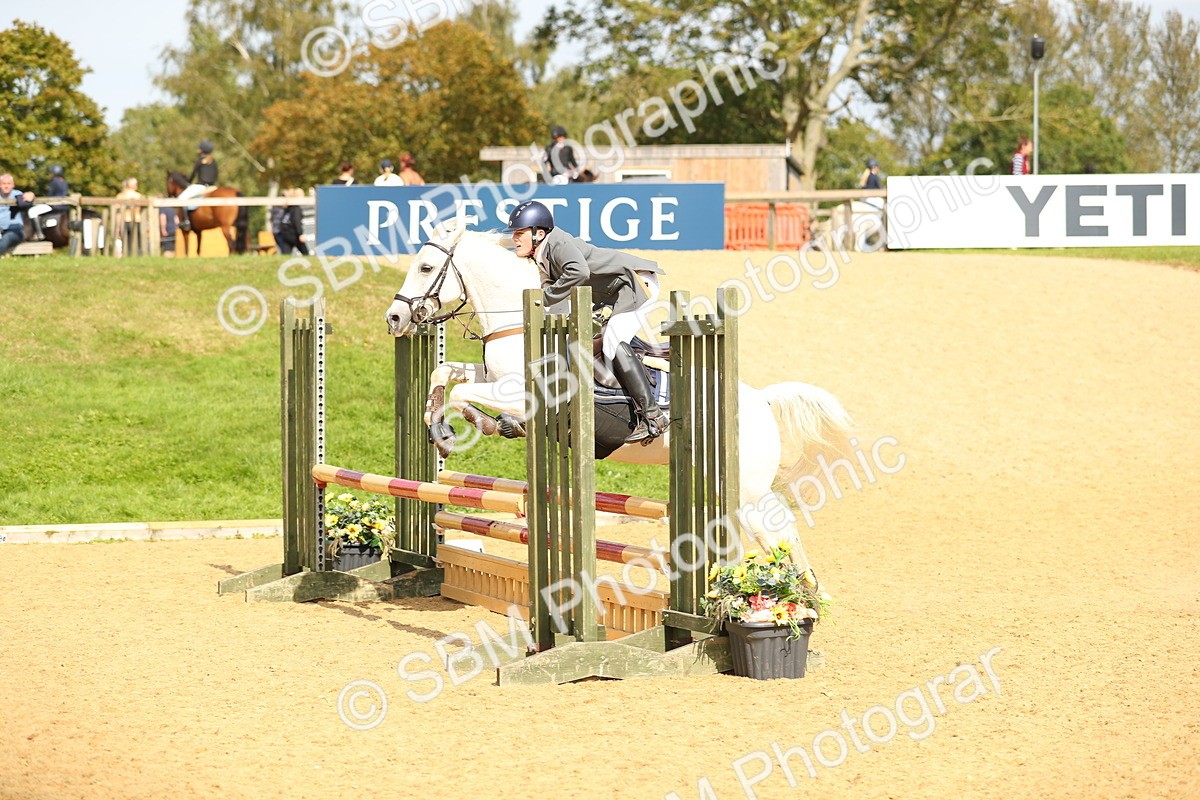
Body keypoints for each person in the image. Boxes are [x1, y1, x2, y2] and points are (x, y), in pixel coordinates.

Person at [506, 200, 667, 443]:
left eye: (519, 233)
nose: (514, 239)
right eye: (513, 234)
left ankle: (653, 416)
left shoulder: (558, 243)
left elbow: (578, 272)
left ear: (539, 234)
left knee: (613, 343)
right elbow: (550, 292)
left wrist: (545, 297)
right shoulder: (541, 258)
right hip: (612, 294)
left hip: (634, 285)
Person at [178, 140, 219, 231]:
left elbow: (193, 175)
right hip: (213, 187)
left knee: (181, 198)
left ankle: (186, 221)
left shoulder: (200, 161)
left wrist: (187, 182)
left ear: (202, 150)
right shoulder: (214, 161)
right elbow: (216, 175)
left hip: (201, 186)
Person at [0, 174, 35, 256]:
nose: (6, 186)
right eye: (4, 184)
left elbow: (27, 200)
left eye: (9, 184)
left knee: (7, 238)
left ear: (13, 185)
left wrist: (31, 195)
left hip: (15, 231)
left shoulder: (18, 195)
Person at [115, 177, 144, 256]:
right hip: (137, 220)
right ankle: (137, 256)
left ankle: (126, 255)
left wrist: (117, 226)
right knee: (137, 242)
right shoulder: (139, 196)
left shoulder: (120, 196)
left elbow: (118, 213)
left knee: (126, 242)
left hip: (124, 221)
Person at [276, 188, 308, 255]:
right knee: (306, 253)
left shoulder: (289, 207)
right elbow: (296, 222)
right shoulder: (296, 208)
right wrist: (300, 234)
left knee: (286, 255)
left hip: (285, 233)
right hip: (294, 234)